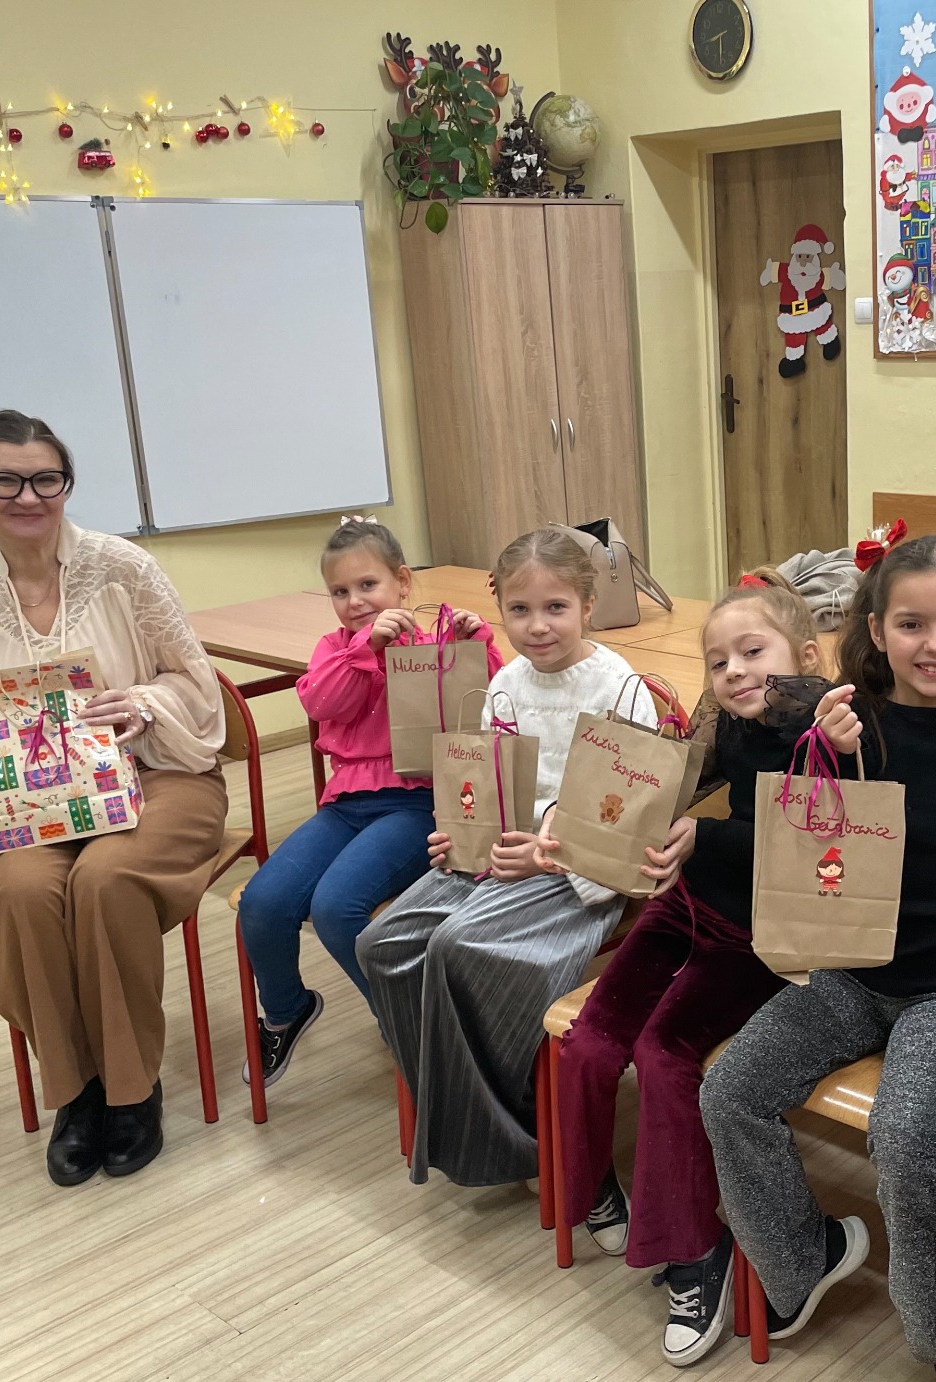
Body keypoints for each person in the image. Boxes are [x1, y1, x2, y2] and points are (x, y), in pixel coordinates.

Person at [700, 527, 936, 1381]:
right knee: (730, 1091)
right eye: (911, 625)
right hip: (848, 973)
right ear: (875, 628)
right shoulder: (842, 723)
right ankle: (804, 1258)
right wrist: (822, 756)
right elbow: (789, 841)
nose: (935, 645)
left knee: (902, 1139)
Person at [0, 409, 226, 1185]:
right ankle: (77, 1089)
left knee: (104, 877)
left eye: (46, 479)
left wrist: (141, 704)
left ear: (66, 485)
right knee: (23, 893)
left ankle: (132, 1089)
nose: (28, 496)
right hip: (40, 802)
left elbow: (197, 686)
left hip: (160, 774)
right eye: (5, 480)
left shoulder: (123, 566)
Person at [548, 569, 820, 1366]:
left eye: (753, 652)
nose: (733, 671)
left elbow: (811, 840)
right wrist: (573, 827)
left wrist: (704, 838)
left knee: (663, 1054)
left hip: (763, 936)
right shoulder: (730, 720)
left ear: (806, 656)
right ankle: (595, 1190)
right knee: (590, 1040)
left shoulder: (832, 734)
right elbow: (665, 784)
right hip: (690, 905)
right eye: (718, 660)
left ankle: (698, 1250)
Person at [355, 529, 652, 1188]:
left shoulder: (620, 687)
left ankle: (522, 1137)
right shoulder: (505, 682)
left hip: (577, 869)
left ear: (587, 605)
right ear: (501, 611)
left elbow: (625, 816)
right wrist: (459, 833)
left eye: (555, 608)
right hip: (502, 852)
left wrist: (545, 851)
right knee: (382, 945)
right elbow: (489, 783)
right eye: (519, 610)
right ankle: (488, 1117)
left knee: (455, 946)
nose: (537, 626)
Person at [235, 516, 501, 1087]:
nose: (355, 601)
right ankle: (286, 1010)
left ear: (402, 582)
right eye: (340, 591)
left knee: (337, 906)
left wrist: (478, 643)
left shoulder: (436, 643)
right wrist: (366, 647)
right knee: (262, 901)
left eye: (368, 585)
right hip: (345, 805)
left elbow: (492, 704)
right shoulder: (336, 649)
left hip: (417, 804)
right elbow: (321, 703)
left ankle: (405, 1023)